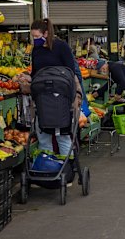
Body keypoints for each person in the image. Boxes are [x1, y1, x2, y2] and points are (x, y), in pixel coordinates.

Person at [30, 19, 83, 158]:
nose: (35, 40)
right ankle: (47, 167)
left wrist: (75, 94)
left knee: (62, 136)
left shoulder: (61, 47)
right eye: (33, 37)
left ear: (46, 33)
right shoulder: (36, 50)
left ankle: (67, 168)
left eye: (36, 36)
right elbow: (34, 72)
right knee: (44, 137)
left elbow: (71, 71)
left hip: (61, 97)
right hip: (42, 97)